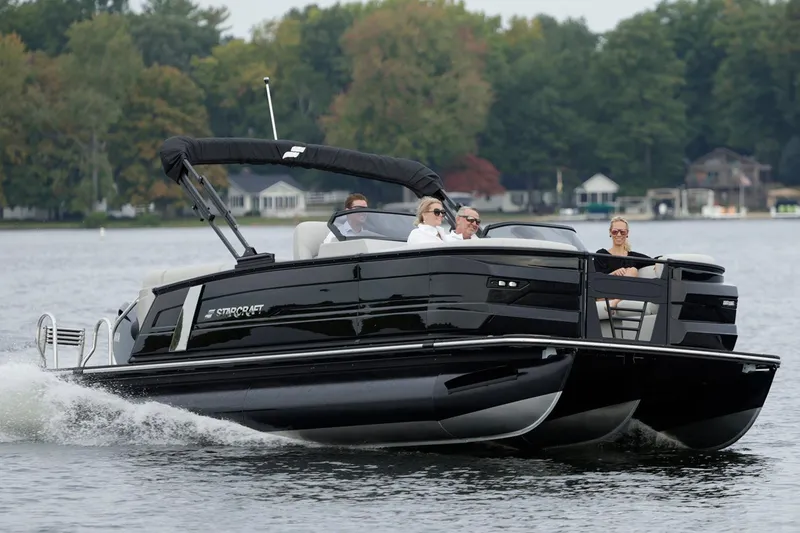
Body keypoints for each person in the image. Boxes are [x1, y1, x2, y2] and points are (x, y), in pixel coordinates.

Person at [593, 216, 655, 311]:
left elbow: (653, 261)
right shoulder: (601, 254)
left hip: (622, 294)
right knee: (632, 270)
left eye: (622, 232)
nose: (619, 234)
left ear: (627, 234)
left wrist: (658, 265)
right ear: (610, 232)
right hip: (604, 292)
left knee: (633, 270)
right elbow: (596, 280)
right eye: (615, 231)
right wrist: (614, 274)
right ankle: (616, 301)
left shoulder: (632, 257)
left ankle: (615, 301)